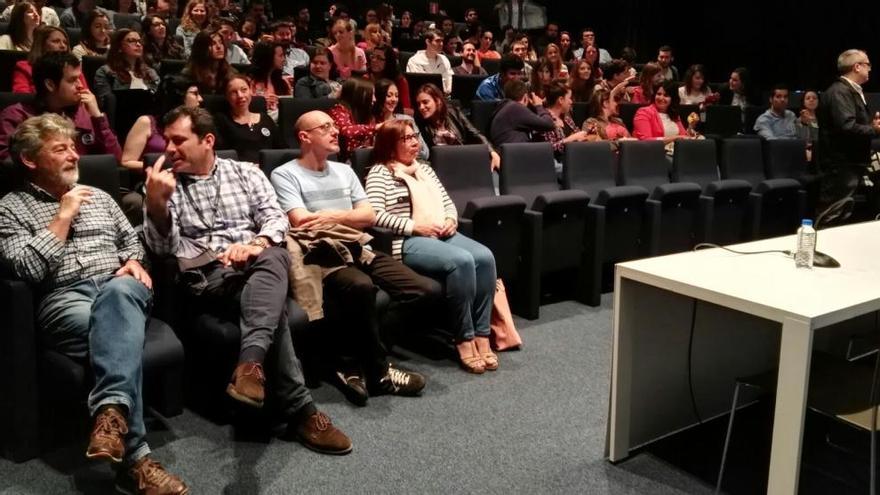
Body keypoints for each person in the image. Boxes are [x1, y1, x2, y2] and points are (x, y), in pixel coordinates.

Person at [143, 106, 353, 454]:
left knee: (274, 253)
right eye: (166, 140)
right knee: (275, 305)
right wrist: (157, 206)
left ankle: (251, 367)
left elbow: (275, 219)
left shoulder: (245, 173)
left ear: (207, 141)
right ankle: (301, 407)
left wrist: (253, 245)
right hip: (208, 274)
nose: (169, 148)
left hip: (256, 264)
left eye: (178, 140)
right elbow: (164, 251)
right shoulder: (164, 185)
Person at [0, 113, 189, 495]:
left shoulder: (102, 197)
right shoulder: (10, 208)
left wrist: (135, 259)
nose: (74, 155)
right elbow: (28, 269)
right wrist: (63, 215)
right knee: (117, 326)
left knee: (119, 295)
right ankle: (129, 442)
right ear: (30, 160)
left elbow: (132, 243)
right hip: (65, 299)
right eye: (60, 149)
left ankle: (120, 433)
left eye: (74, 147)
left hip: (123, 287)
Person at [269, 110, 433, 406]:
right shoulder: (284, 173)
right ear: (305, 137)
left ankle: (358, 357)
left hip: (358, 245)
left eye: (334, 125)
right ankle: (379, 372)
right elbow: (301, 220)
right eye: (325, 127)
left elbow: (368, 215)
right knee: (360, 286)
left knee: (423, 290)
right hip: (320, 253)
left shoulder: (344, 170)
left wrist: (331, 215)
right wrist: (348, 217)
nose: (335, 131)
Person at [365, 119, 499, 373]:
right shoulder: (380, 173)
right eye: (405, 139)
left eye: (414, 136)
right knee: (461, 261)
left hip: (441, 232)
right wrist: (413, 227)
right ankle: (464, 337)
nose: (415, 142)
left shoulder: (425, 169)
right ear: (390, 146)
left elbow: (447, 202)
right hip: (408, 240)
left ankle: (482, 334)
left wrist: (450, 219)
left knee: (485, 257)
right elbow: (375, 215)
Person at [0, 52, 121, 161]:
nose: (80, 86)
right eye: (72, 80)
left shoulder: (84, 113)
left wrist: (98, 117)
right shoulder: (17, 116)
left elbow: (115, 160)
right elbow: (8, 166)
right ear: (50, 85)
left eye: (79, 79)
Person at [817, 49, 880, 214]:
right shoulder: (840, 91)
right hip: (841, 164)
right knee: (833, 213)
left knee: (843, 212)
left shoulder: (850, 90)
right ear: (857, 67)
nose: (870, 68)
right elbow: (847, 126)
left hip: (850, 162)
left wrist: (871, 126)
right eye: (868, 64)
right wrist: (873, 129)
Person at [416, 83, 501, 170]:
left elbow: (475, 133)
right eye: (418, 104)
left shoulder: (453, 112)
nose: (421, 107)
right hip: (442, 166)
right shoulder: (420, 123)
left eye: (425, 102)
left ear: (438, 101)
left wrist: (492, 151)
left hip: (463, 159)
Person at [122, 85, 202, 170]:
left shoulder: (196, 124)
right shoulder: (146, 122)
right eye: (195, 94)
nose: (200, 99)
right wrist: (165, 167)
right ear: (178, 97)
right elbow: (127, 162)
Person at [215, 74, 285, 163]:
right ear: (226, 96)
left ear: (250, 91)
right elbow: (221, 156)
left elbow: (282, 150)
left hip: (268, 170)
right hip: (239, 172)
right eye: (233, 92)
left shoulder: (266, 119)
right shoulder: (221, 120)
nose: (240, 95)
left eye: (244, 90)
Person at [12, 26, 89, 94]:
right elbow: (22, 96)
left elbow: (85, 94)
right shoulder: (24, 67)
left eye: (65, 42)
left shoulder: (74, 69)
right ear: (42, 45)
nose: (63, 46)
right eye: (56, 41)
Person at [93, 29, 160, 104]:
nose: (138, 44)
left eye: (140, 41)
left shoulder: (150, 72)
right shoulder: (105, 72)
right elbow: (106, 103)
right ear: (119, 47)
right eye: (131, 41)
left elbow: (158, 99)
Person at [373, 78, 428, 160]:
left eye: (396, 95)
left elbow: (425, 153)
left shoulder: (407, 119)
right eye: (389, 95)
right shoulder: (372, 124)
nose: (394, 99)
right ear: (378, 96)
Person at [489, 79, 555, 147]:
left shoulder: (505, 107)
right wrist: (539, 106)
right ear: (525, 97)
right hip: (517, 154)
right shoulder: (515, 108)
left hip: (510, 153)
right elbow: (549, 124)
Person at [328, 78, 379, 163]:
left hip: (364, 158)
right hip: (343, 161)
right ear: (360, 95)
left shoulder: (367, 114)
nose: (374, 99)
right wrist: (375, 128)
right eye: (371, 94)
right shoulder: (338, 110)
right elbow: (346, 131)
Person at [539, 79, 591, 162]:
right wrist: (570, 139)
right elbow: (549, 149)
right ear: (561, 100)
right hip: (554, 163)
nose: (571, 102)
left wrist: (586, 134)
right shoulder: (545, 119)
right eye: (569, 98)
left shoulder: (566, 119)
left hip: (573, 158)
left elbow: (577, 134)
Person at [182, 29, 234, 95]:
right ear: (201, 48)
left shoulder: (230, 72)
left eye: (221, 42)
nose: (219, 46)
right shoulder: (189, 74)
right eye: (212, 43)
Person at [249, 41, 291, 122]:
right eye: (280, 56)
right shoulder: (249, 82)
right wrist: (261, 102)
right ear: (268, 57)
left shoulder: (283, 82)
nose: (284, 59)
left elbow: (290, 106)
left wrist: (279, 102)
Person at [364, 45, 412, 114]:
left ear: (389, 61)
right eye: (372, 57)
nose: (374, 60)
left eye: (379, 58)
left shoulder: (400, 81)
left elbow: (408, 110)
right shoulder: (366, 78)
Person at [406, 28, 453, 95]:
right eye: (437, 41)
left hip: (442, 97)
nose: (441, 44)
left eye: (442, 41)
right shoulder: (414, 61)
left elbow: (450, 81)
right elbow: (415, 85)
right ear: (428, 42)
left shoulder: (444, 59)